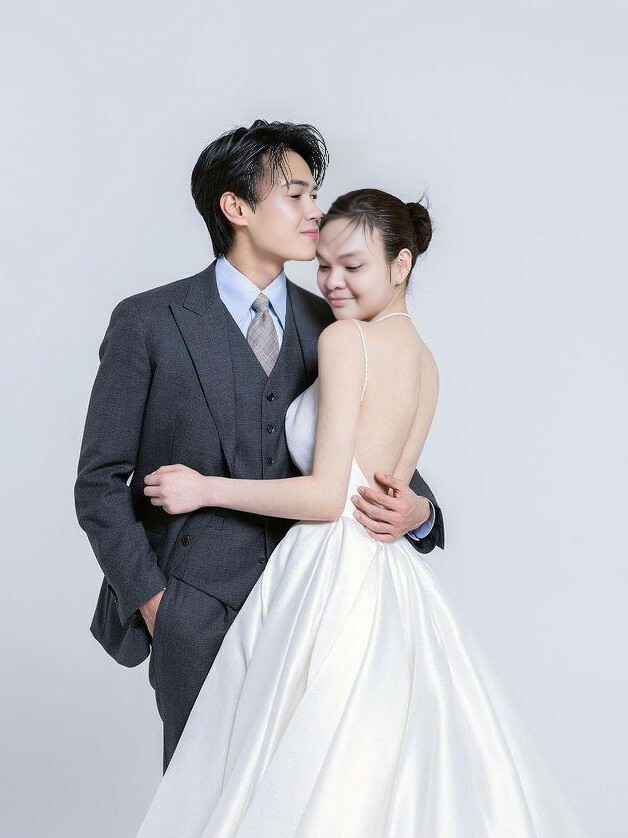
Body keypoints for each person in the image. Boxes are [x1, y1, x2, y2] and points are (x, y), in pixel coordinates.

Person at [134, 189, 590, 837]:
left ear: (401, 265)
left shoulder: (346, 340)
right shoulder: (427, 364)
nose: (332, 282)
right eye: (323, 266)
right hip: (387, 579)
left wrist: (205, 489)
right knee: (369, 771)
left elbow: (327, 498)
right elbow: (383, 488)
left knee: (281, 767)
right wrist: (415, 511)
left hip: (325, 573)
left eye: (353, 266)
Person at [73, 120, 444, 775]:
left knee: (306, 797)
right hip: (196, 610)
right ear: (236, 207)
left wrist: (421, 513)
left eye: (314, 194)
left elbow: (372, 448)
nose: (315, 211)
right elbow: (98, 482)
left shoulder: (333, 323)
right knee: (203, 797)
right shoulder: (148, 322)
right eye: (296, 195)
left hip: (316, 605)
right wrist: (158, 603)